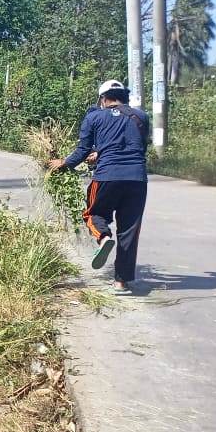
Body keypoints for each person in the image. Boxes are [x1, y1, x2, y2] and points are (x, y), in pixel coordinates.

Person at [49, 79, 149, 295]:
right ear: (125, 97)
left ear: (103, 99)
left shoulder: (94, 116)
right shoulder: (141, 117)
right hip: (137, 179)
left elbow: (83, 149)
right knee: (130, 230)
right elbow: (138, 147)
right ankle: (121, 282)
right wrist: (101, 152)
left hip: (106, 176)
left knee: (93, 213)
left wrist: (64, 163)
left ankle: (103, 237)